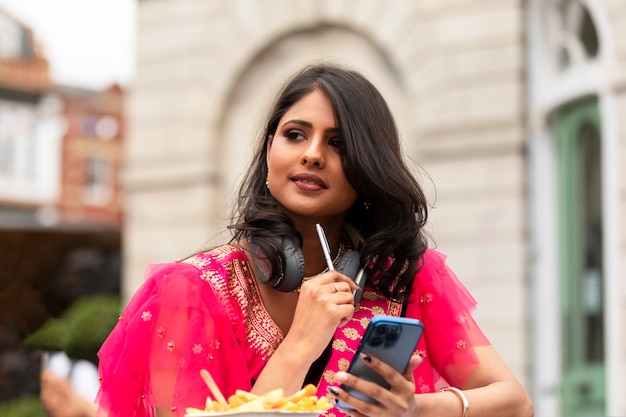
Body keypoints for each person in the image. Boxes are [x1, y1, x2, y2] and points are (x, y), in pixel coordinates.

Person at [95, 63, 534, 417]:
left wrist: (414, 408)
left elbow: (516, 404)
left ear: (368, 168)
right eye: (295, 134)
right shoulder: (192, 291)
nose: (312, 154)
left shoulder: (401, 276)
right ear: (269, 150)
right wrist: (301, 344)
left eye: (339, 143)